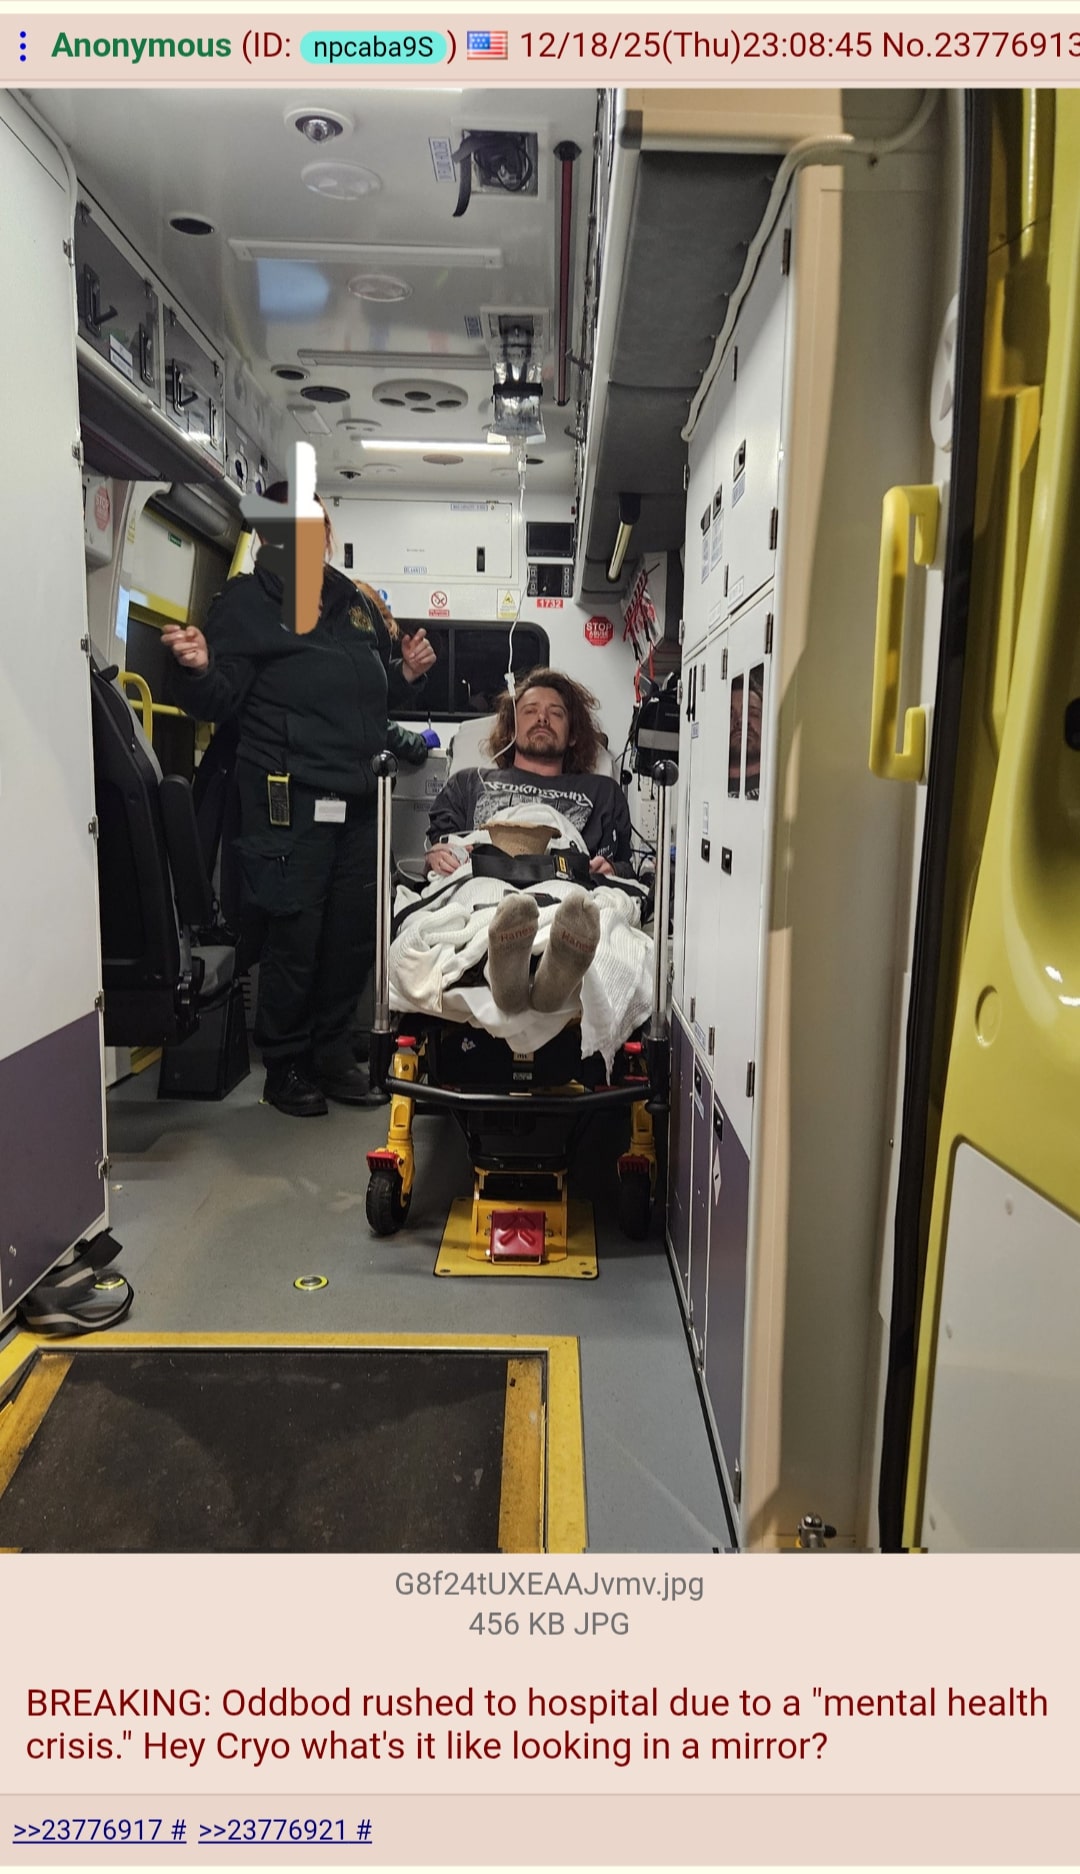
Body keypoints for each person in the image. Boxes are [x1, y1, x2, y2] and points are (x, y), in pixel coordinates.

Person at [162, 485, 436, 1117]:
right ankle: (285, 1064)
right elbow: (217, 698)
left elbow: (367, 695)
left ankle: (333, 1052)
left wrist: (406, 676)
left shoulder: (350, 601)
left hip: (358, 798)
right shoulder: (245, 604)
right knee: (296, 934)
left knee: (350, 935)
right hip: (289, 799)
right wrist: (197, 669)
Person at [423, 668, 633, 1015]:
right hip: (484, 881)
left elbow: (625, 869)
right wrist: (436, 856)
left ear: (573, 735)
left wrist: (611, 868)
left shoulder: (602, 792)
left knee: (581, 910)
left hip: (564, 884)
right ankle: (524, 970)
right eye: (530, 711)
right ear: (511, 728)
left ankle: (538, 972)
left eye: (556, 713)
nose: (542, 719)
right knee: (482, 902)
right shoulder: (469, 782)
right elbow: (440, 849)